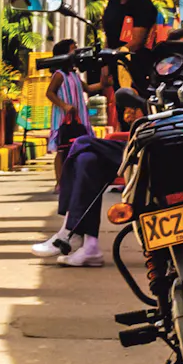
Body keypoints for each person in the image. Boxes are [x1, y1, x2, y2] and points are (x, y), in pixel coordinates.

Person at [51, 85, 145, 266]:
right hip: (138, 148)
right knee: (87, 160)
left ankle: (69, 229)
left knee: (82, 143)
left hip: (147, 150)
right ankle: (90, 246)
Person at [33, 40, 93, 258]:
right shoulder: (59, 73)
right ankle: (60, 181)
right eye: (72, 50)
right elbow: (50, 93)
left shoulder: (76, 74)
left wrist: (105, 80)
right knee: (62, 148)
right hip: (64, 117)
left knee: (78, 148)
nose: (76, 52)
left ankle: (71, 178)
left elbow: (89, 89)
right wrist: (64, 106)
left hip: (79, 117)